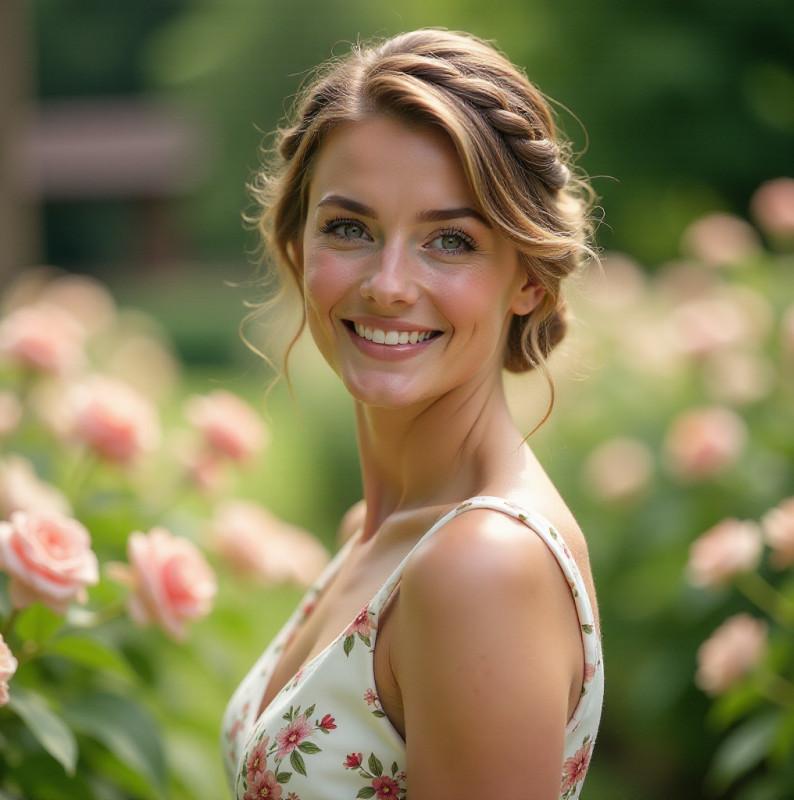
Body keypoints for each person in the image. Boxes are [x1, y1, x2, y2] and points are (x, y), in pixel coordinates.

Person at [222, 28, 603, 800]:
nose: (389, 285)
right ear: (299, 246)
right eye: (350, 228)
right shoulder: (382, 533)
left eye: (450, 240)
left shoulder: (482, 569)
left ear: (527, 281)